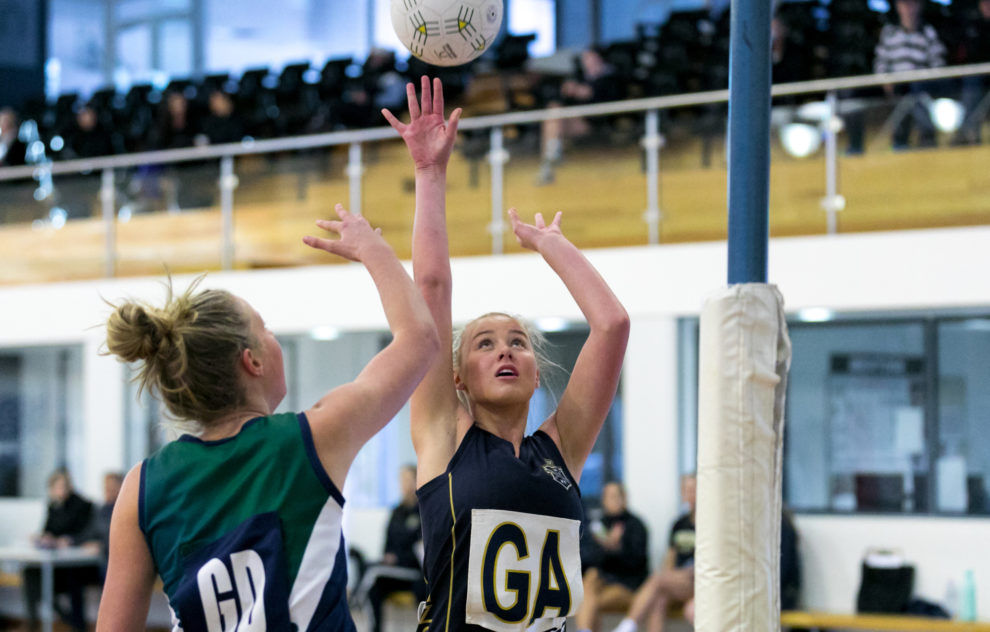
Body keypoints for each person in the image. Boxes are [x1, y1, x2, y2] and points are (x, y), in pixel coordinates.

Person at [94, 204, 440, 631]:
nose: (274, 338)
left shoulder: (141, 487)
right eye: (267, 330)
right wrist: (374, 250)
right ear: (252, 361)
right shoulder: (312, 438)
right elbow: (421, 338)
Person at [382, 76, 630, 632]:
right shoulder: (446, 435)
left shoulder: (560, 450)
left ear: (536, 370)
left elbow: (611, 325)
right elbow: (431, 288)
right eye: (485, 344)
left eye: (518, 341)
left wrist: (553, 245)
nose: (505, 351)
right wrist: (429, 174)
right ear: (458, 378)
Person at [610, 474, 696, 632]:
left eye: (693, 489)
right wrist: (670, 575)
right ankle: (629, 625)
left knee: (657, 579)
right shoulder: (679, 524)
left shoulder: (708, 524)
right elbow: (671, 556)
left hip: (695, 580)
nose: (690, 493)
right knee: (659, 597)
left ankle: (628, 625)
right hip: (677, 580)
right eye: (686, 489)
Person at [22, 468, 97, 632]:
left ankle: (76, 624)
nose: (60, 490)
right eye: (56, 487)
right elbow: (48, 530)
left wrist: (69, 540)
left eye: (64, 486)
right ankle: (33, 624)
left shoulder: (83, 505)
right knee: (30, 572)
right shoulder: (54, 506)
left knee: (70, 578)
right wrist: (42, 537)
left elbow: (87, 534)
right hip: (57, 562)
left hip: (77, 564)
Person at [360, 464, 428, 632]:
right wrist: (388, 557)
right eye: (401, 480)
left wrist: (398, 558)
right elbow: (387, 544)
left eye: (408, 479)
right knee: (373, 581)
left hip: (413, 571)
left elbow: (421, 551)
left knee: (372, 572)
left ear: (417, 481)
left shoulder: (423, 511)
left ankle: (353, 599)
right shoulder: (396, 512)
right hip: (393, 570)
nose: (404, 484)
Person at [575, 482, 649, 632]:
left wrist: (616, 548)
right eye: (608, 497)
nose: (612, 500)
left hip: (628, 584)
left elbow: (636, 563)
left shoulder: (636, 525)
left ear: (624, 498)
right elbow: (590, 559)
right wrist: (605, 547)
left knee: (590, 602)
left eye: (615, 496)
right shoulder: (599, 524)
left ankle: (584, 629)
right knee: (590, 577)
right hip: (603, 581)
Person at [873, 0, 947, 149]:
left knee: (915, 92)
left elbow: (938, 64)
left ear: (919, 6)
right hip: (897, 90)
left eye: (912, 4)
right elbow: (880, 63)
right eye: (904, 4)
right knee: (904, 96)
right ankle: (901, 143)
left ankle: (927, 141)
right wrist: (886, 80)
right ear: (898, 7)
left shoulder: (928, 32)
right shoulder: (890, 33)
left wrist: (925, 78)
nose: (909, 8)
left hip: (921, 89)